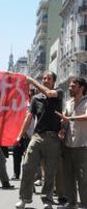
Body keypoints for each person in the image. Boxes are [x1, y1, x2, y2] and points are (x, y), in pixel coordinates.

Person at [15, 71, 63, 209]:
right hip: (37, 137)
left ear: (54, 82)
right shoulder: (36, 99)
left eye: (48, 78)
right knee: (28, 166)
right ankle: (24, 199)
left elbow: (49, 93)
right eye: (43, 78)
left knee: (49, 172)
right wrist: (20, 135)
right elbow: (28, 118)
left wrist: (31, 81)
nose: (45, 80)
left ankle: (47, 201)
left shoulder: (58, 93)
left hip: (53, 139)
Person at [56, 77, 87, 209]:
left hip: (83, 146)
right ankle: (71, 203)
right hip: (68, 145)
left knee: (83, 178)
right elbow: (64, 120)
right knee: (68, 177)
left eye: (73, 86)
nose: (70, 88)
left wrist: (70, 118)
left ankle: (85, 204)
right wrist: (62, 129)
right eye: (69, 86)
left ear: (81, 88)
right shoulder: (68, 102)